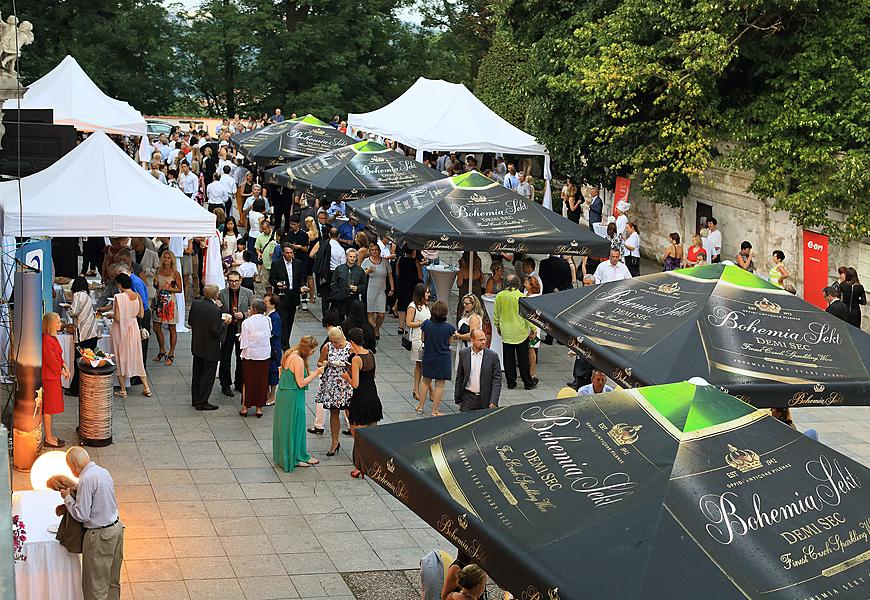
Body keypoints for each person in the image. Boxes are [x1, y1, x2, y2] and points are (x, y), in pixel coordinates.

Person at [61, 447, 123, 600]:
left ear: (75, 464)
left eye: (70, 467)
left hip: (100, 536)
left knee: (95, 587)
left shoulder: (86, 479)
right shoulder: (103, 471)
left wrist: (67, 497)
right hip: (116, 529)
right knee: (111, 582)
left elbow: (82, 514)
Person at [273, 336, 323, 472]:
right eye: (313, 351)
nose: (313, 354)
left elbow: (281, 371)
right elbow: (301, 383)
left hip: (285, 393)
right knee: (295, 426)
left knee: (288, 426)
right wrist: (316, 373)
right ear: (307, 349)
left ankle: (292, 455)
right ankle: (295, 457)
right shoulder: (299, 360)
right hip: (293, 395)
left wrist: (309, 373)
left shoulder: (290, 353)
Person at [342, 327, 383, 478]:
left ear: (352, 341)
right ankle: (371, 464)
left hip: (360, 399)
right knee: (371, 434)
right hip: (373, 396)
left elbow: (356, 384)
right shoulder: (371, 354)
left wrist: (347, 377)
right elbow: (373, 375)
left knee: (357, 434)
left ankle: (359, 467)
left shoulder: (356, 359)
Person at [188, 284, 228, 411]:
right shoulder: (215, 310)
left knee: (197, 374)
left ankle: (195, 399)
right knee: (207, 376)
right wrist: (225, 324)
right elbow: (216, 332)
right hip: (210, 348)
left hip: (197, 345)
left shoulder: (196, 304)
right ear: (216, 295)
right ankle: (202, 401)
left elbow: (190, 322)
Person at [111, 273, 151, 398]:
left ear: (119, 284)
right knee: (136, 356)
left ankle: (123, 390)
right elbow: (141, 315)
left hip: (121, 328)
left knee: (120, 356)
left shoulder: (119, 297)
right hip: (133, 327)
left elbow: (117, 317)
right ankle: (147, 387)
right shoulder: (137, 296)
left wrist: (110, 315)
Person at [493, 275, 536, 390]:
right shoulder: (521, 297)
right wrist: (533, 328)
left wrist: (497, 325)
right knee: (523, 359)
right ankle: (527, 382)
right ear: (517, 284)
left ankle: (511, 382)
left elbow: (496, 313)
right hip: (520, 331)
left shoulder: (499, 296)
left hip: (506, 331)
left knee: (508, 358)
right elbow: (527, 315)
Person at [316, 327, 354, 456]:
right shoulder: (327, 347)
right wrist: (324, 363)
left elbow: (355, 365)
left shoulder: (350, 348)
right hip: (332, 384)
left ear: (341, 339)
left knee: (351, 412)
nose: (334, 344)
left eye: (335, 342)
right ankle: (334, 442)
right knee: (334, 412)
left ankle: (358, 441)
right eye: (331, 341)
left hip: (346, 383)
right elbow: (319, 362)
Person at [417, 301, 456, 416]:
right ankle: (435, 410)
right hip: (442, 358)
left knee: (425, 381)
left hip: (429, 355)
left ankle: (420, 406)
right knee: (440, 384)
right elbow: (449, 342)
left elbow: (423, 339)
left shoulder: (426, 324)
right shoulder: (449, 328)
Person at [219, 272, 253, 397]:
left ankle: (240, 382)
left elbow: (253, 309)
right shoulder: (222, 293)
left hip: (242, 328)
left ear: (240, 280)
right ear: (227, 281)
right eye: (231, 281)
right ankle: (225, 384)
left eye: (236, 281)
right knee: (225, 357)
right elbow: (218, 310)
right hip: (228, 328)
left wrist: (244, 314)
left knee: (241, 357)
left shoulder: (248, 293)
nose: (234, 283)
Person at [66, 276, 100, 396]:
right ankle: (88, 387)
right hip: (92, 334)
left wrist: (67, 308)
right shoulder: (88, 296)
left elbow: (73, 311)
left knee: (79, 363)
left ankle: (76, 390)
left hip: (83, 336)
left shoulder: (77, 295)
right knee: (89, 362)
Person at [454, 329, 501, 412]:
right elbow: (460, 377)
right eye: (480, 340)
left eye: (484, 339)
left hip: (486, 398)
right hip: (467, 398)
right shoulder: (464, 353)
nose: (483, 342)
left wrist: (494, 401)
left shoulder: (492, 356)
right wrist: (458, 397)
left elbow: (496, 380)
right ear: (472, 340)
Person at [269, 244, 305, 349]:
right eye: (287, 253)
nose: (289, 255)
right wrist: (277, 284)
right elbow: (272, 279)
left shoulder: (298, 263)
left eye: (291, 253)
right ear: (283, 253)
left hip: (293, 296)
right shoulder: (277, 264)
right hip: (281, 296)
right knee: (283, 321)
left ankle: (285, 341)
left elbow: (301, 278)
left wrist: (302, 287)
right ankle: (284, 345)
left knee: (289, 321)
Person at [239, 300, 271, 418]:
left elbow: (244, 342)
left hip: (251, 355)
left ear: (253, 309)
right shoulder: (268, 320)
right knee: (261, 381)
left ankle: (245, 407)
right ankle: (259, 408)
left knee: (248, 381)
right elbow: (268, 335)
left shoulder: (247, 322)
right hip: (264, 354)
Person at [41, 312, 69, 448]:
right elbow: (51, 360)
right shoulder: (47, 339)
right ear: (51, 324)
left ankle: (50, 435)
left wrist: (64, 365)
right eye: (57, 322)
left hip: (53, 376)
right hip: (49, 378)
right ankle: (48, 437)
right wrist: (62, 370)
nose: (60, 324)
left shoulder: (52, 338)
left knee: (50, 409)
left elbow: (58, 355)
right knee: (48, 408)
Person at [152, 250, 182, 366]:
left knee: (172, 328)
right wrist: (156, 285)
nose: (166, 260)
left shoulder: (175, 273)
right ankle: (162, 349)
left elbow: (179, 289)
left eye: (168, 258)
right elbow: (155, 284)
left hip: (170, 302)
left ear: (172, 259)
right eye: (164, 257)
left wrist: (168, 288)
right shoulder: (158, 270)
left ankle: (171, 353)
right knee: (156, 326)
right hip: (159, 300)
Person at [361, 241, 393, 339]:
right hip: (370, 289)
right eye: (372, 250)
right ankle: (373, 329)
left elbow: (390, 275)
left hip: (381, 289)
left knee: (381, 314)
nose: (374, 252)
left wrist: (392, 288)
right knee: (370, 312)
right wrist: (368, 271)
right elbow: (361, 275)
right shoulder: (366, 261)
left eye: (376, 250)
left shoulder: (385, 262)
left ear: (379, 251)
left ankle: (377, 328)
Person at [406, 283, 431, 404]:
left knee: (421, 364)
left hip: (426, 337)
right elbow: (409, 323)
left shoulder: (425, 306)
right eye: (427, 292)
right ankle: (422, 389)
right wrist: (422, 323)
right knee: (421, 363)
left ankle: (417, 388)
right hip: (417, 339)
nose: (429, 294)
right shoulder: (413, 306)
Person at [330, 247, 367, 322]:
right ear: (346, 257)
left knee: (352, 320)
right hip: (340, 299)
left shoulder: (360, 271)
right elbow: (333, 284)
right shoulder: (339, 269)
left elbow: (364, 285)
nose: (352, 258)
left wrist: (357, 288)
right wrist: (340, 292)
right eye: (350, 256)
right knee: (339, 320)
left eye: (354, 257)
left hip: (353, 299)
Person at [396, 247, 422, 334]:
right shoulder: (416, 262)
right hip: (413, 286)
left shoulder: (400, 260)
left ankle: (401, 326)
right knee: (411, 305)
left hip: (402, 285)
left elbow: (397, 273)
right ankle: (409, 324)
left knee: (402, 305)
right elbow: (420, 276)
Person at [264, 293, 283, 406]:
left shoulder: (275, 317)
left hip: (273, 349)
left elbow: (273, 333)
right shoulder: (266, 314)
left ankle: (272, 396)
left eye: (266, 301)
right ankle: (266, 393)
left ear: (272, 304)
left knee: (273, 371)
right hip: (266, 347)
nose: (264, 303)